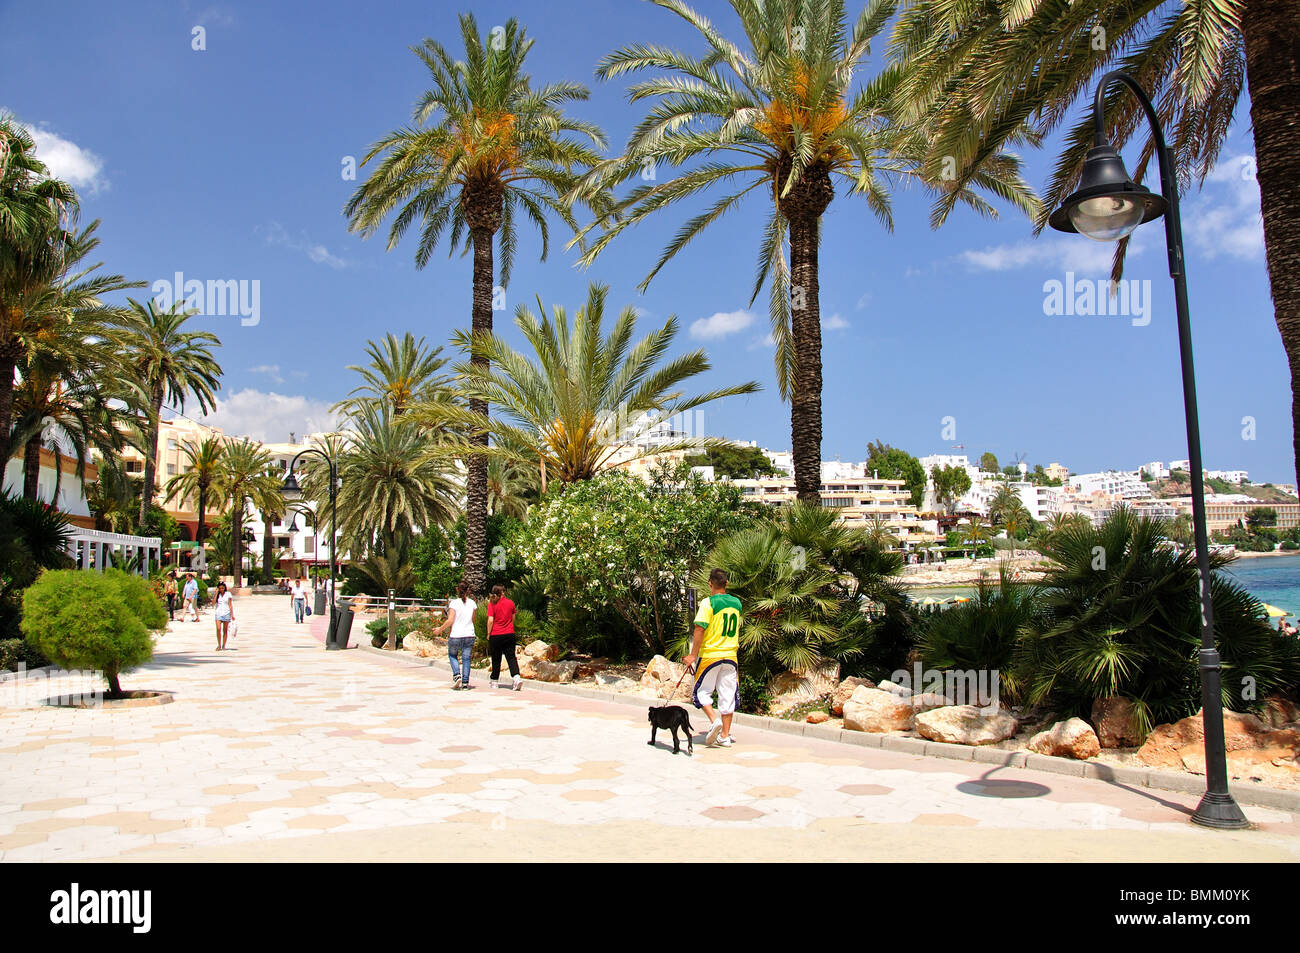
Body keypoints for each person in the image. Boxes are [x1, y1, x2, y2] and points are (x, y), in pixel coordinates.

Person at [682, 568, 742, 748]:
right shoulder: (737, 603)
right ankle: (724, 735)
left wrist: (693, 655)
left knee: (701, 691)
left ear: (710, 584)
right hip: (731, 655)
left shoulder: (708, 603)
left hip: (710, 655)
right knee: (728, 695)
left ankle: (714, 720)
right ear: (727, 583)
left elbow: (700, 628)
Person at [435, 580, 477, 690]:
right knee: (466, 658)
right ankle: (465, 683)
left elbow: (450, 620)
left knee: (452, 655)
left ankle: (457, 674)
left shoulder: (454, 603)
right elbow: (473, 620)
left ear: (457, 590)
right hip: (469, 634)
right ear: (468, 590)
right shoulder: (472, 603)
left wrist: (439, 629)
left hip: (456, 634)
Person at [486, 584, 522, 691]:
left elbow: (490, 620)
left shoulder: (492, 603)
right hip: (509, 633)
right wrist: (509, 626)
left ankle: (494, 680)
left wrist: (488, 633)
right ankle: (516, 677)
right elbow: (513, 617)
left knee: (496, 658)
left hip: (496, 634)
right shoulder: (510, 602)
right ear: (502, 592)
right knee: (511, 657)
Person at [213, 582, 235, 651]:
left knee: (225, 630)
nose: (221, 589)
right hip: (218, 613)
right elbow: (213, 603)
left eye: (222, 588)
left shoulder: (228, 594)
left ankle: (223, 645)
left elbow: (230, 605)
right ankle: (219, 645)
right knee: (218, 629)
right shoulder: (218, 595)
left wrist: (232, 615)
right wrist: (216, 593)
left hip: (226, 613)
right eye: (220, 588)